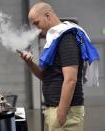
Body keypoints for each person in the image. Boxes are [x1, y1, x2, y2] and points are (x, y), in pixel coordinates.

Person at [17, 2, 99, 131]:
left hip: (66, 112)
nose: (36, 29)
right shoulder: (54, 40)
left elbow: (71, 80)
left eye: (36, 23)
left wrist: (61, 112)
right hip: (53, 110)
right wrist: (30, 63)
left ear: (48, 16)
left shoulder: (66, 38)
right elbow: (45, 76)